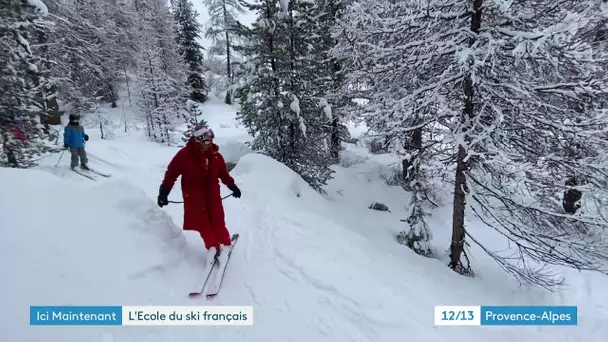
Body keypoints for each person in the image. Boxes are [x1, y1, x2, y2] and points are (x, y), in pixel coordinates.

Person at [157, 124, 242, 262]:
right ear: (198, 140)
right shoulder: (184, 155)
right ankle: (213, 248)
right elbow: (171, 174)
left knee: (218, 221)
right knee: (203, 224)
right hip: (194, 197)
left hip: (213, 195)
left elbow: (223, 175)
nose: (209, 144)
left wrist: (233, 187)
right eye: (206, 141)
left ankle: (225, 245)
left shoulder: (216, 156)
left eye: (211, 141)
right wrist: (164, 193)